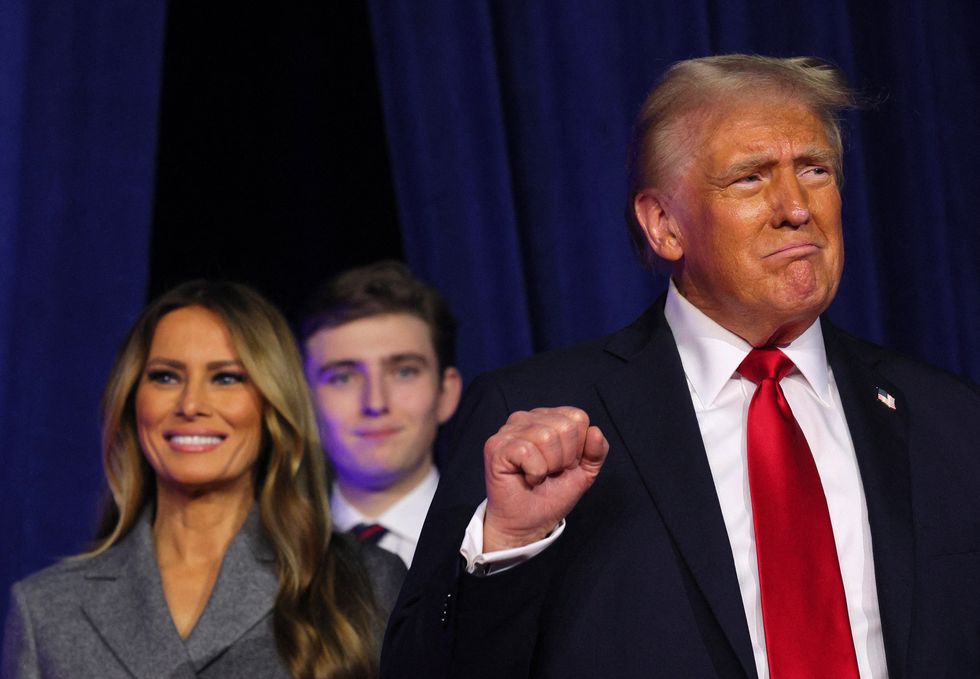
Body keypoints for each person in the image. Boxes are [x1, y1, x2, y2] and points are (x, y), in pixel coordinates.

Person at [381, 55, 980, 678]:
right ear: (664, 226)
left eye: (815, 170)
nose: (796, 207)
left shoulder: (951, 417)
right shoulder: (535, 415)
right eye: (750, 179)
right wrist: (509, 545)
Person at [2, 280, 405, 679]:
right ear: (132, 400)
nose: (191, 405)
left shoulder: (366, 583)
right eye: (165, 376)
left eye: (226, 378)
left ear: (271, 402)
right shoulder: (46, 611)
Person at [300, 261, 462, 567]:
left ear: (446, 393)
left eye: (403, 372)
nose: (375, 402)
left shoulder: (493, 543)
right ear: (305, 399)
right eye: (343, 378)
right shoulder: (271, 557)